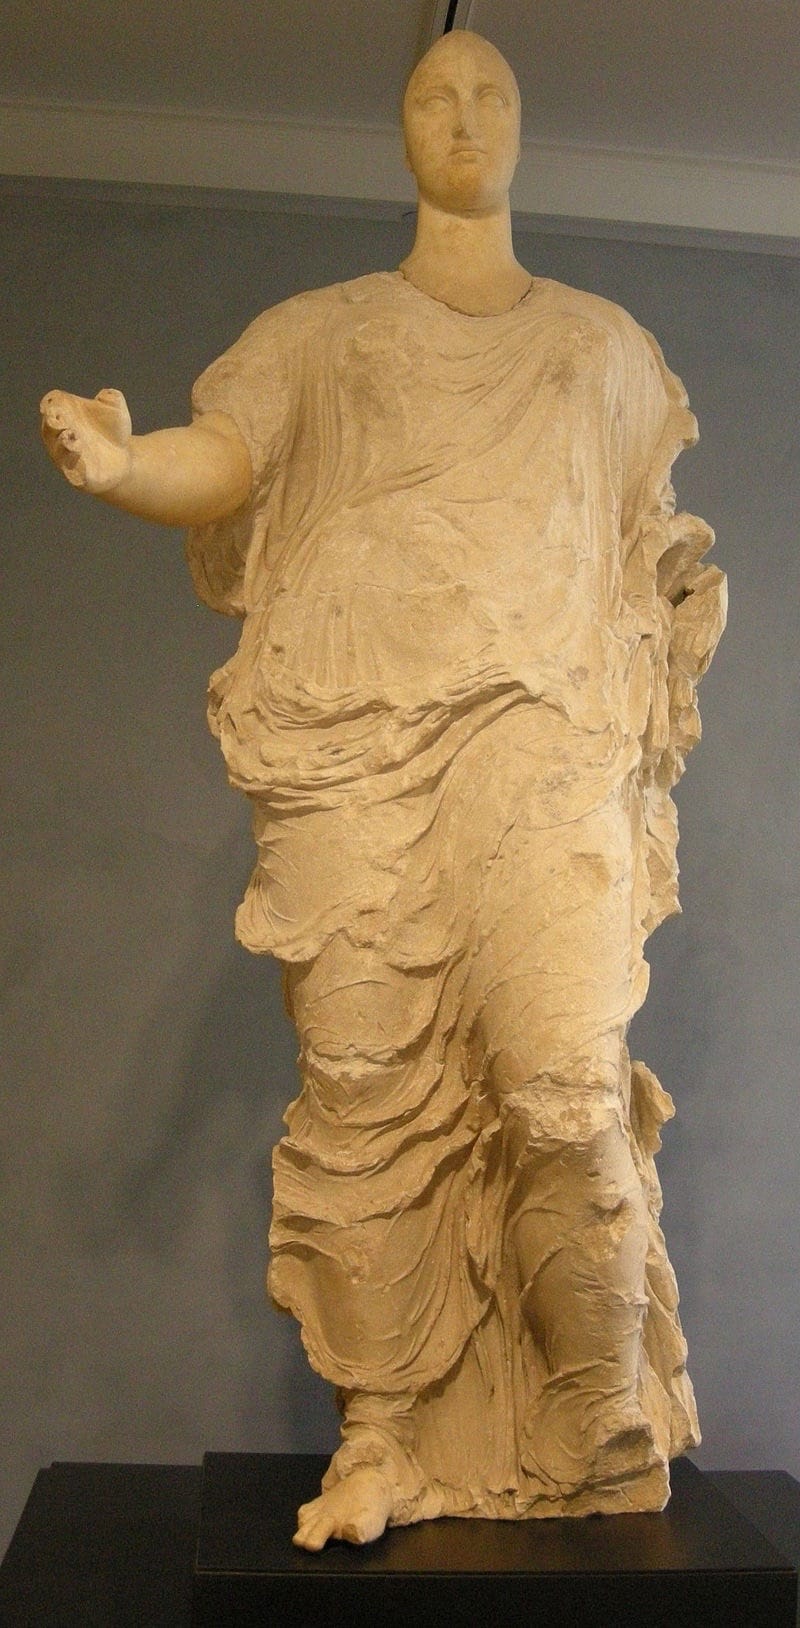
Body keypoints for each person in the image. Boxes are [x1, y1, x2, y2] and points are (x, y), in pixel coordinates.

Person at [41, 30, 726, 1550]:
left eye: (492, 94)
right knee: (360, 1098)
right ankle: (385, 1438)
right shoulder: (321, 333)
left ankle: (599, 1415)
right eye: (434, 94)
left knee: (563, 1088)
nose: (464, 116)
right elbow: (228, 460)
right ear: (399, 127)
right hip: (352, 750)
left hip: (543, 749)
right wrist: (124, 465)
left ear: (526, 124)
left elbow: (650, 559)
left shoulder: (603, 348)